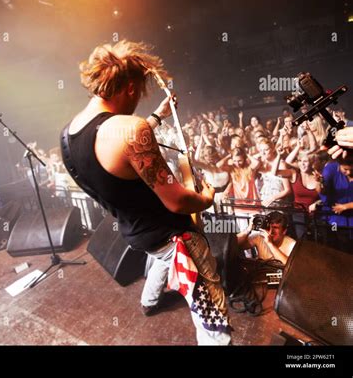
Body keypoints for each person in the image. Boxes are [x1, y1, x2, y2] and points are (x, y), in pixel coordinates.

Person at [61, 40, 231, 345]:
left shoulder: (68, 134)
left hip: (138, 234)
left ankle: (150, 301)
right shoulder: (130, 129)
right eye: (138, 93)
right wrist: (205, 198)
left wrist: (156, 117)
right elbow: (178, 201)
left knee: (160, 263)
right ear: (129, 88)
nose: (138, 101)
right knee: (211, 315)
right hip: (177, 237)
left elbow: (118, 156)